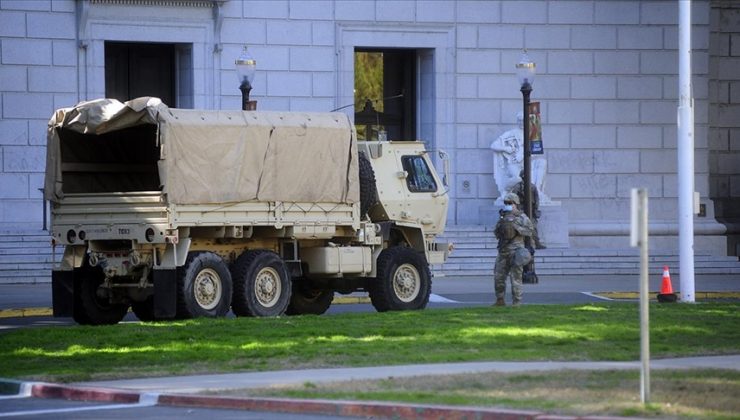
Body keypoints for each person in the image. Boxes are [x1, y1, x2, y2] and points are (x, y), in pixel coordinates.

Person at [493, 192, 534, 307]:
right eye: (506, 203)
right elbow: (496, 232)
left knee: (515, 278)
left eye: (510, 203)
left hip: (516, 251)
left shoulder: (522, 217)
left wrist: (516, 228)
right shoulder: (503, 216)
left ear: (516, 204)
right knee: (498, 277)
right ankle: (500, 300)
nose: (507, 205)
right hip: (503, 251)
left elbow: (530, 231)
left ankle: (517, 302)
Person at [490, 112, 524, 196]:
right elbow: (493, 145)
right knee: (517, 178)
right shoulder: (511, 133)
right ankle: (505, 190)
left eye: (523, 120)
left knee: (542, 163)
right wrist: (505, 148)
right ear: (517, 121)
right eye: (519, 120)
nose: (521, 123)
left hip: (527, 162)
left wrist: (522, 155)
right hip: (513, 163)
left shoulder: (532, 134)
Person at [511, 170, 546, 249]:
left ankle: (536, 243)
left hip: (531, 209)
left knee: (533, 227)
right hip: (522, 209)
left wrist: (536, 208)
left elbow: (536, 199)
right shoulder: (517, 187)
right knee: (521, 226)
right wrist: (516, 209)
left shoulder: (532, 186)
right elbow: (513, 198)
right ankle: (523, 243)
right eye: (524, 176)